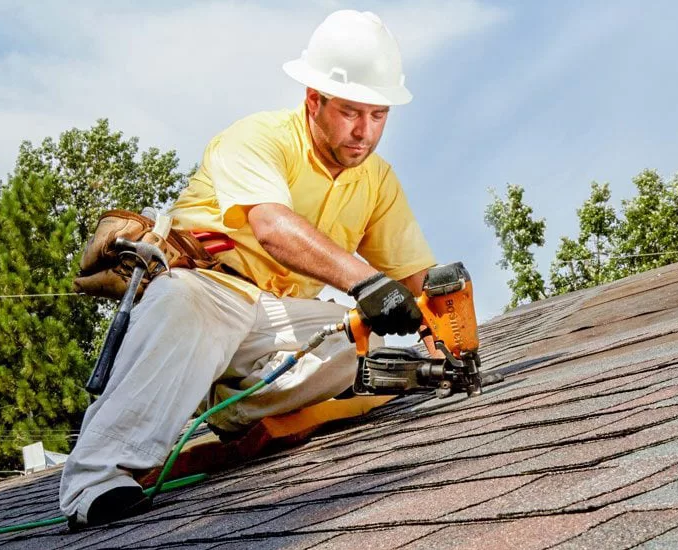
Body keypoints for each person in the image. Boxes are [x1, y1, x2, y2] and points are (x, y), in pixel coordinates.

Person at [59, 9, 436, 528]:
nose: (364, 132)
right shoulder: (259, 138)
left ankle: (235, 406)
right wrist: (366, 282)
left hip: (274, 314)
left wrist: (451, 343)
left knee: (354, 343)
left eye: (378, 116)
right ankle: (94, 482)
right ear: (314, 100)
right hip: (209, 286)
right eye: (351, 112)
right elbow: (272, 226)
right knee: (182, 304)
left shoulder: (377, 180)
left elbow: (418, 278)